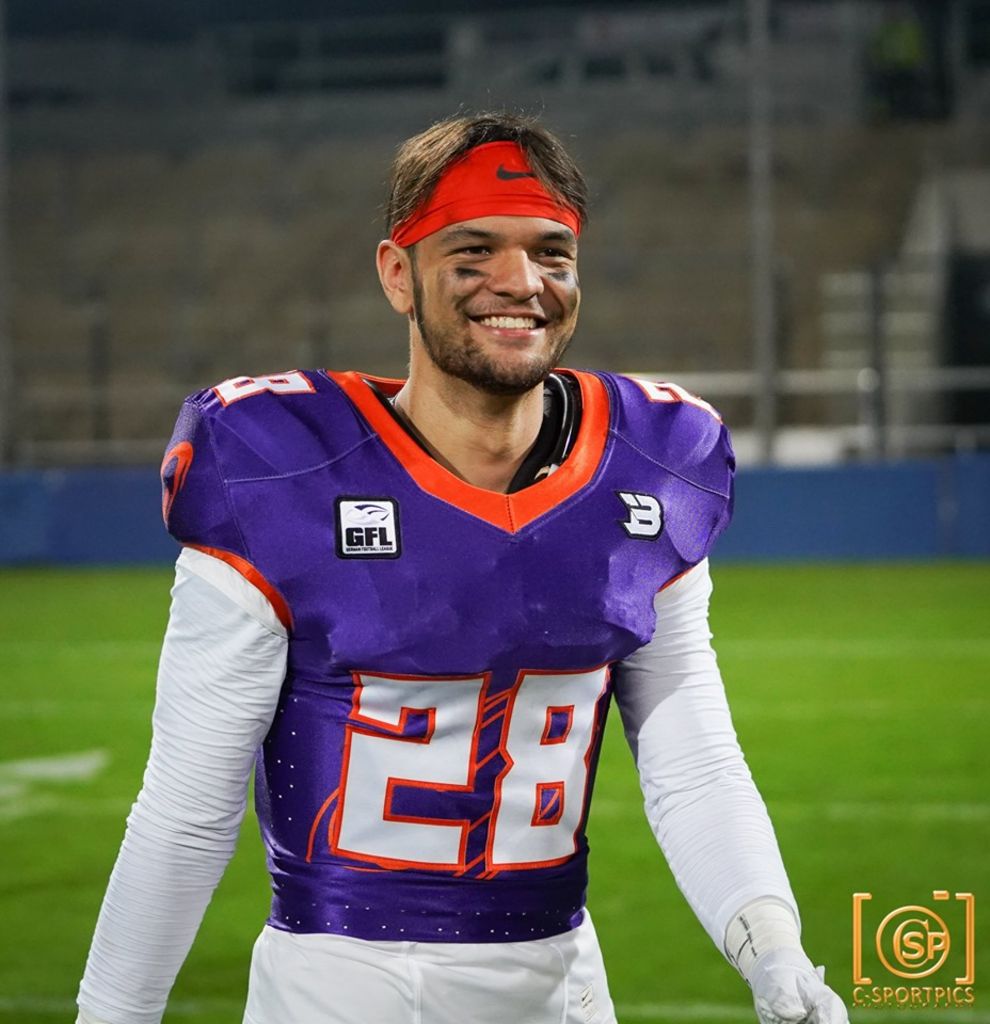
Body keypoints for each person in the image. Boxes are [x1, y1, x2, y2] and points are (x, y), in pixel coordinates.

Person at [76, 112, 848, 1024]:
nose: (520, 282)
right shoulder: (279, 467)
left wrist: (770, 944)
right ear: (397, 274)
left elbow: (694, 759)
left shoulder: (653, 461)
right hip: (338, 988)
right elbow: (186, 812)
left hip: (562, 983)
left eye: (552, 253)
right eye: (473, 251)